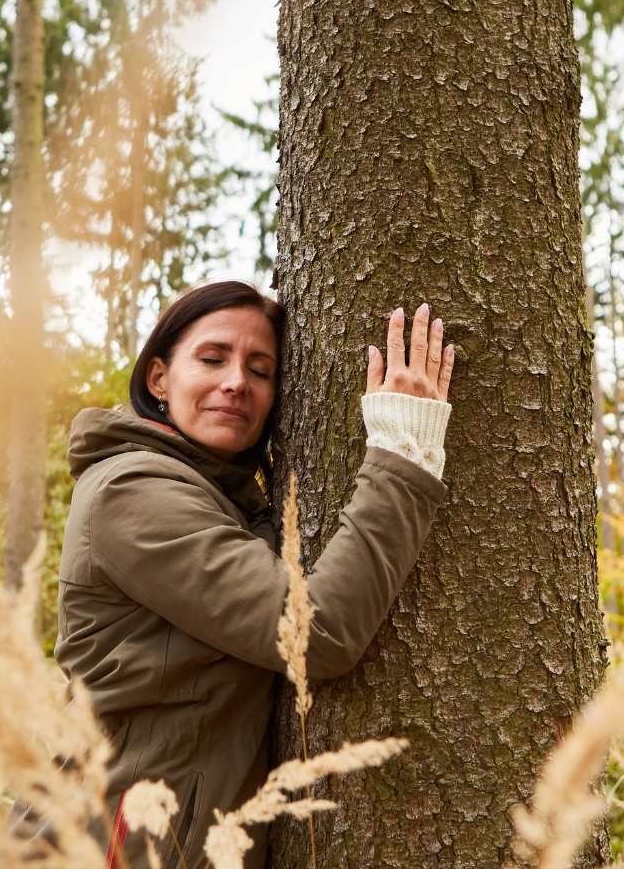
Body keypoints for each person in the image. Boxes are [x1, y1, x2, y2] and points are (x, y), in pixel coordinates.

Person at [56, 280, 455, 869]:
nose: (236, 381)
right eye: (212, 358)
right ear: (158, 379)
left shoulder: (219, 498)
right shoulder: (131, 493)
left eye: (260, 369)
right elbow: (314, 633)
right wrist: (402, 452)